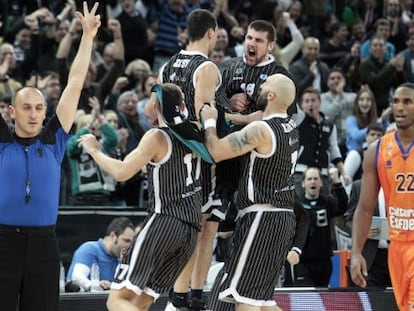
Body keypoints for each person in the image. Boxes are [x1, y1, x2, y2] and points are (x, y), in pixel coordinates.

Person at [0, 2, 100, 311]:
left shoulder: (54, 139)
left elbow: (74, 83)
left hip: (45, 244)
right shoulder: (3, 142)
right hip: (3, 245)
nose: (33, 114)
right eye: (26, 108)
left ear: (46, 112)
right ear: (12, 111)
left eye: (39, 108)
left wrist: (87, 36)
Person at [78, 82, 202, 311]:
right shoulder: (194, 133)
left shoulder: (157, 136)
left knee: (116, 300)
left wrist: (94, 150)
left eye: (150, 99)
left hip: (164, 220)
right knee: (139, 303)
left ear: (156, 105)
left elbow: (122, 171)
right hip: (190, 231)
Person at [201, 73, 298, 311]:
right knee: (262, 301)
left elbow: (216, 151)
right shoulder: (291, 126)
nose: (260, 87)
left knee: (246, 302)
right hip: (283, 218)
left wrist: (210, 120)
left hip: (262, 218)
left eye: (264, 86)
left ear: (272, 95)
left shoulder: (261, 130)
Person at [157, 9, 222, 311]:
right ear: (211, 32)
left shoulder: (167, 65)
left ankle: (186, 295)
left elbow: (156, 114)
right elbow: (203, 117)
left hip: (170, 155)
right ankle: (187, 297)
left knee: (189, 226)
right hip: (198, 158)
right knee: (204, 226)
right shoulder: (206, 68)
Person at [350, 82, 414, 311]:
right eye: (396, 101)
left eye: (407, 101)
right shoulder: (376, 150)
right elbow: (365, 208)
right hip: (396, 247)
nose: (400, 107)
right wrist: (356, 252)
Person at [290, 167, 348, 287]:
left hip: (324, 260)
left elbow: (343, 207)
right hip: (303, 261)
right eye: (309, 179)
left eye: (316, 179)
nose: (313, 182)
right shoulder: (297, 204)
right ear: (303, 183)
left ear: (321, 183)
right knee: (305, 295)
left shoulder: (327, 201)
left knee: (321, 296)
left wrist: (337, 182)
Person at [66, 217, 135, 291]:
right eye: (126, 241)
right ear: (113, 236)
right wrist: (95, 285)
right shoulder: (89, 249)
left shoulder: (120, 259)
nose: (130, 246)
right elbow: (77, 277)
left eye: (132, 242)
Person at [345, 180, 391, 287]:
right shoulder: (359, 187)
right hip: (370, 258)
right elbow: (348, 221)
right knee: (372, 300)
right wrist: (361, 230)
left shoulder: (401, 185)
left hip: (397, 255)